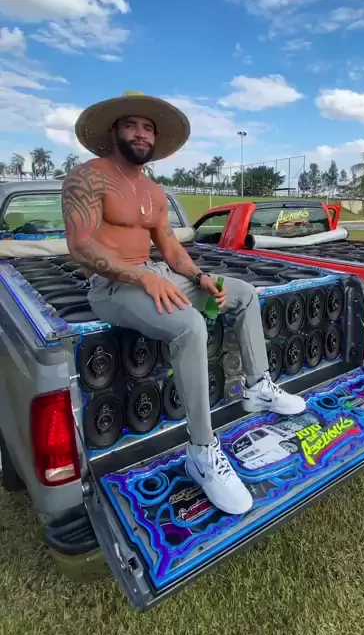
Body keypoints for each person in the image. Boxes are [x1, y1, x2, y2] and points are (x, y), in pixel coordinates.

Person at [62, 91, 305, 516]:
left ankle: (257, 386)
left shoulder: (154, 192)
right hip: (112, 285)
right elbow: (80, 245)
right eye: (131, 125)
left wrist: (199, 277)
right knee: (190, 325)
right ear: (114, 131)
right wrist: (142, 276)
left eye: (148, 128)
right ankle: (202, 451)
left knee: (243, 293)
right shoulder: (89, 177)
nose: (141, 134)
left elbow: (171, 249)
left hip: (157, 273)